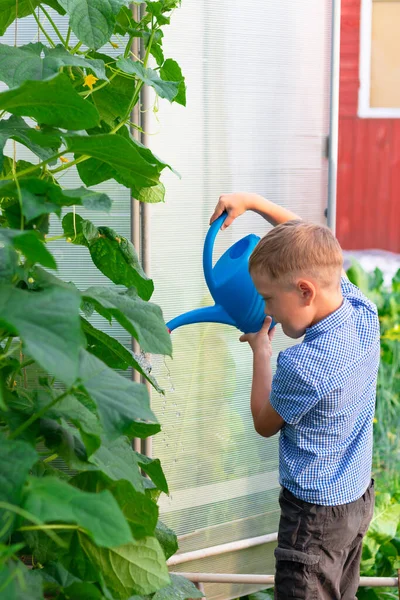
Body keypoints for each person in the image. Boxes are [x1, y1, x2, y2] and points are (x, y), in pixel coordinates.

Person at [210, 193, 380, 600]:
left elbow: (265, 423)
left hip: (313, 522)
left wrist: (261, 351)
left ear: (305, 292)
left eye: (268, 298)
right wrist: (252, 204)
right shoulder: (360, 308)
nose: (266, 307)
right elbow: (315, 249)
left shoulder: (304, 364)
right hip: (355, 503)